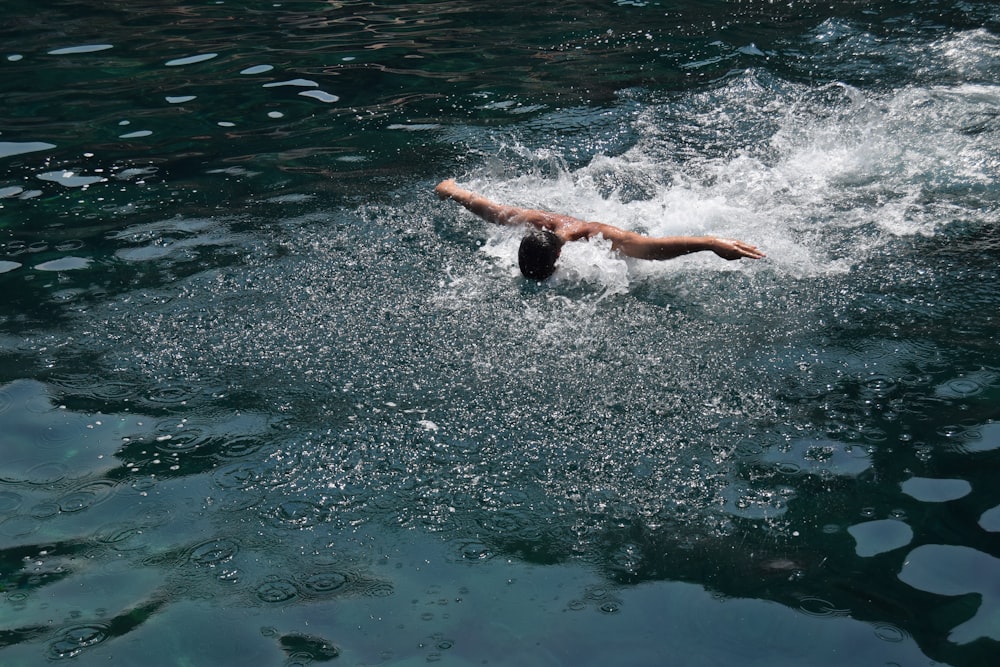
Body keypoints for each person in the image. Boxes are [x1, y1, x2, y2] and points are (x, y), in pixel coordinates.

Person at [434, 179, 765, 280]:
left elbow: (654, 248)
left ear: (561, 254)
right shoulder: (525, 219)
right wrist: (451, 190)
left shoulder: (601, 237)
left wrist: (709, 243)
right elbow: (480, 204)